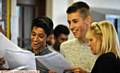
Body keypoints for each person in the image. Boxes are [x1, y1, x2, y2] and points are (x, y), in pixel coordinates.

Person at [60, 1, 97, 73]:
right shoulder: (65, 47)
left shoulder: (103, 47)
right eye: (69, 22)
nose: (71, 27)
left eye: (75, 21)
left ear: (88, 20)